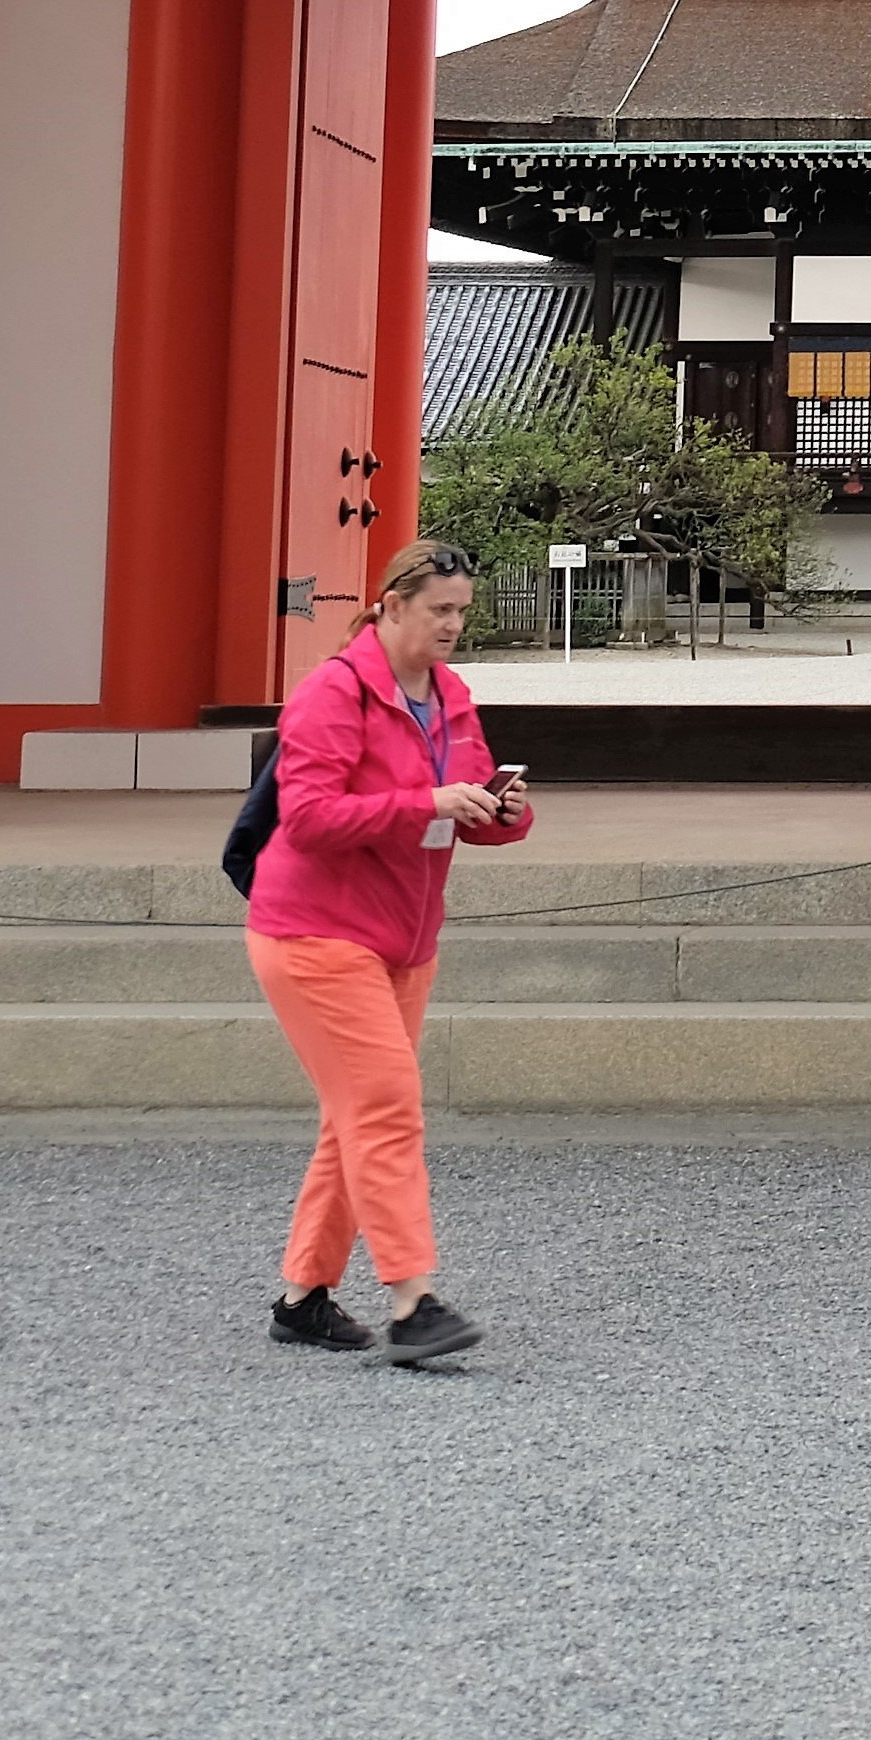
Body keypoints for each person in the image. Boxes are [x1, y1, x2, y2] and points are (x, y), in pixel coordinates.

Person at [244, 540, 536, 1360]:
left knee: (358, 1113)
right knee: (383, 1104)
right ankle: (413, 1300)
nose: (454, 624)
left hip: (404, 937)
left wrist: (502, 811)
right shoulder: (332, 693)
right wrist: (425, 802)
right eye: (440, 608)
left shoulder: (451, 694)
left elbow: (470, 797)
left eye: (462, 610)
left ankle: (303, 1294)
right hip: (314, 932)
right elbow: (307, 818)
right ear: (392, 605)